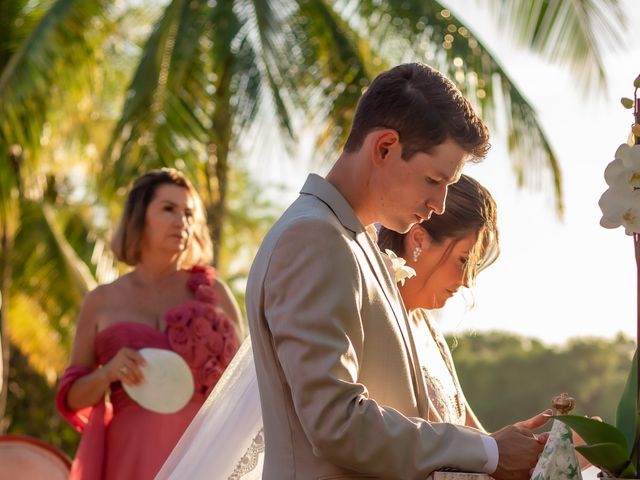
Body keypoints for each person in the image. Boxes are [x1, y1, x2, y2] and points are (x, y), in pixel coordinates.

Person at [244, 62, 548, 480]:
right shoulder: (314, 238)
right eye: (433, 180)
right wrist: (488, 451)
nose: (439, 204)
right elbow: (336, 422)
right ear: (385, 147)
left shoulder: (353, 241)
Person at [55, 168, 242, 480]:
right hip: (128, 458)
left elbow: (246, 387)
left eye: (188, 213)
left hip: (203, 459)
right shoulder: (101, 301)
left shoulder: (214, 294)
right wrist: (108, 373)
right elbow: (72, 397)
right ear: (139, 217)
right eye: (168, 209)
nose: (182, 221)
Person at [378, 173, 499, 428]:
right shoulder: (377, 321)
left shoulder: (429, 329)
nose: (467, 281)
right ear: (419, 239)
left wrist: (552, 450)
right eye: (463, 260)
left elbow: (478, 440)